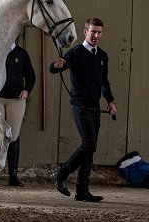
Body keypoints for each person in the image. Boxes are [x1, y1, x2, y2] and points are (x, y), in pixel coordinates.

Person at [48, 17, 116, 202]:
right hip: (80, 105)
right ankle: (61, 175)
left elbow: (104, 82)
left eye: (99, 32)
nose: (96, 35)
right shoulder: (76, 53)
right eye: (93, 31)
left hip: (95, 106)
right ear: (85, 32)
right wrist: (56, 65)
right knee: (89, 144)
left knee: (89, 149)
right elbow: (54, 69)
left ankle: (82, 190)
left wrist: (110, 101)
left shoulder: (102, 56)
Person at [0, 42, 36, 186]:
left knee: (13, 136)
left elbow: (31, 76)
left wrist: (27, 90)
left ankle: (13, 176)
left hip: (16, 99)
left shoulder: (22, 53)